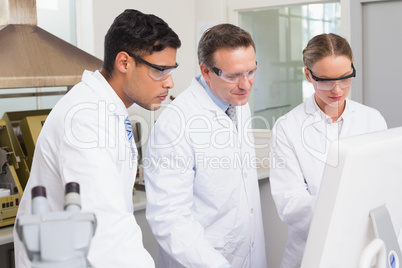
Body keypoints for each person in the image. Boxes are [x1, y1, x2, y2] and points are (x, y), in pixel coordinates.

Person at [14, 9, 181, 268]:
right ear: (124, 62)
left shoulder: (109, 110)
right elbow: (105, 229)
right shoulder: (85, 119)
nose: (169, 82)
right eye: (159, 70)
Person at [144, 24, 267, 268]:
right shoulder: (175, 125)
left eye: (251, 72)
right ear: (206, 71)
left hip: (248, 254)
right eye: (233, 76)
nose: (245, 85)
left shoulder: (239, 102)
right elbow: (170, 219)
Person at [269, 33, 387, 268]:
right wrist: (348, 207)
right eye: (325, 80)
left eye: (345, 78)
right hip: (311, 251)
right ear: (308, 75)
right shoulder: (288, 127)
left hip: (364, 250)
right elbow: (290, 203)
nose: (337, 90)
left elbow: (383, 184)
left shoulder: (372, 120)